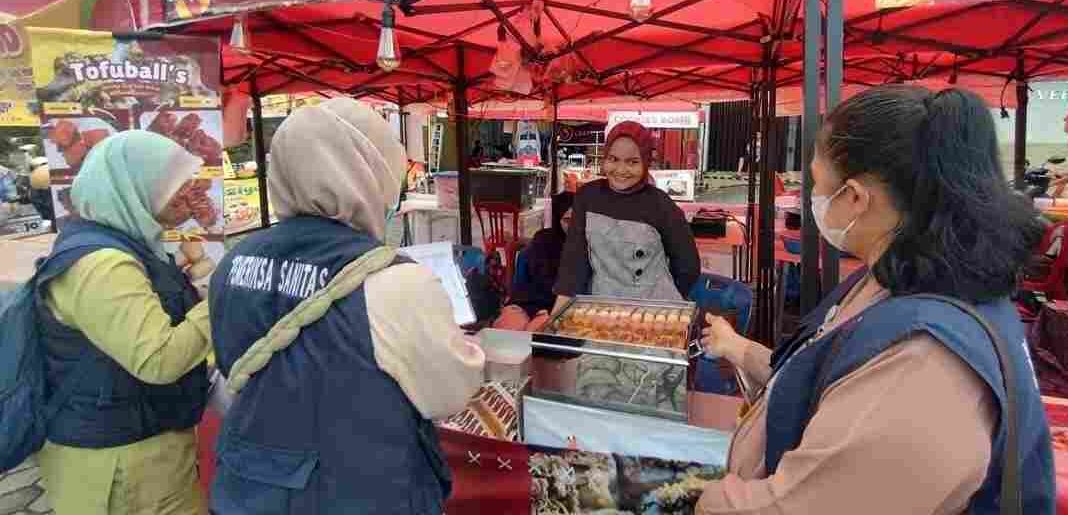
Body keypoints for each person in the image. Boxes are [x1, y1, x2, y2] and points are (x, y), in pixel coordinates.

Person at [696, 85, 1054, 514]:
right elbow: (823, 373)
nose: (811, 199)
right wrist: (738, 348)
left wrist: (703, 498)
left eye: (816, 183)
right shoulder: (894, 279)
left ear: (854, 198)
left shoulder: (926, 363)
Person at [207, 97, 484, 515]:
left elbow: (232, 371)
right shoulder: (395, 280)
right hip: (359, 491)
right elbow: (449, 393)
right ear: (369, 173)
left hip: (248, 490)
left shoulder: (232, 263)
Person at [35, 130, 211, 515]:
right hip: (122, 464)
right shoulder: (103, 264)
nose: (188, 193)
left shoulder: (121, 242)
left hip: (137, 446)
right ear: (135, 188)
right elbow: (157, 359)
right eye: (176, 184)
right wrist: (220, 300)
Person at [554, 121, 700, 308]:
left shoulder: (661, 204)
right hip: (602, 307)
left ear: (646, 162)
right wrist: (560, 308)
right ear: (604, 158)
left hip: (654, 308)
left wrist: (665, 302)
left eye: (632, 162)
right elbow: (574, 259)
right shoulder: (587, 197)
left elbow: (688, 266)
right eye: (613, 159)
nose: (621, 170)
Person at [494, 191, 574, 330]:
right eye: (567, 220)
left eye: (577, 219)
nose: (573, 225)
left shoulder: (586, 245)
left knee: (537, 337)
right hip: (525, 302)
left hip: (558, 307)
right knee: (506, 329)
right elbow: (534, 278)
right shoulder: (542, 239)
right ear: (557, 219)